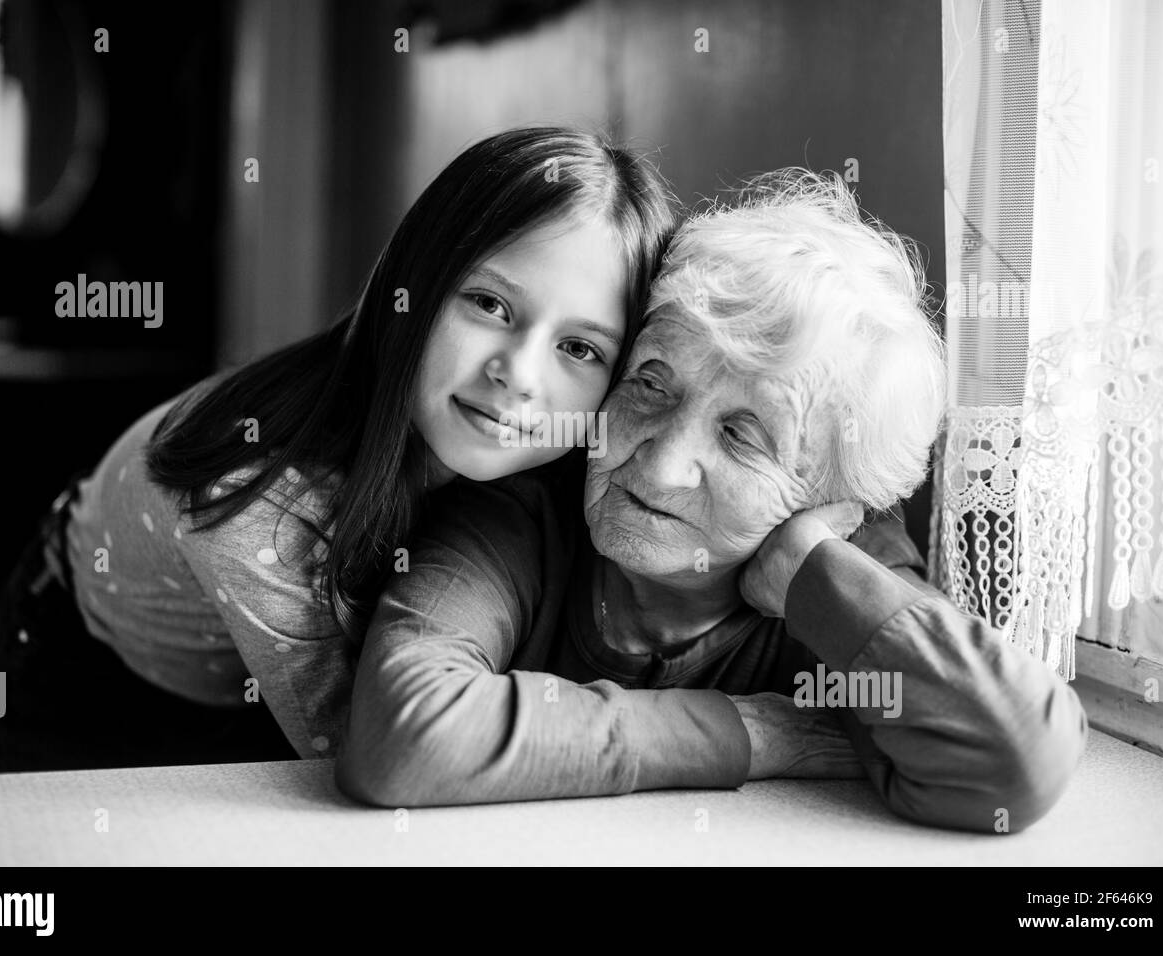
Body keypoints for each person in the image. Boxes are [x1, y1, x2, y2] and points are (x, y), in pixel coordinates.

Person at [336, 169, 1089, 833]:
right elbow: (404, 739)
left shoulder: (839, 581)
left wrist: (809, 578)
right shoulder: (522, 515)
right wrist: (753, 734)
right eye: (652, 383)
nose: (660, 467)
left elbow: (1018, 755)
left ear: (831, 500)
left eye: (741, 435)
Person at [0, 126, 676, 772]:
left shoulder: (555, 467)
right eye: (489, 304)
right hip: (95, 670)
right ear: (414, 284)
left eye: (579, 348)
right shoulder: (261, 501)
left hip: (267, 669)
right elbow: (393, 758)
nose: (519, 375)